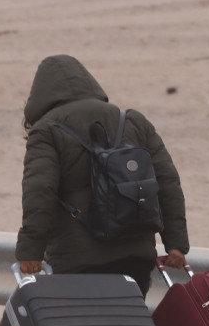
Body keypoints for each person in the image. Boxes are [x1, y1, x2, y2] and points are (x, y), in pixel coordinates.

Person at [16, 54, 189, 296]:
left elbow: (39, 192)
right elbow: (167, 183)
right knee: (126, 318)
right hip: (136, 256)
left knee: (84, 320)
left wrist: (30, 251)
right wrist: (176, 244)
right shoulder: (133, 121)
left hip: (77, 258)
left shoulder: (47, 130)